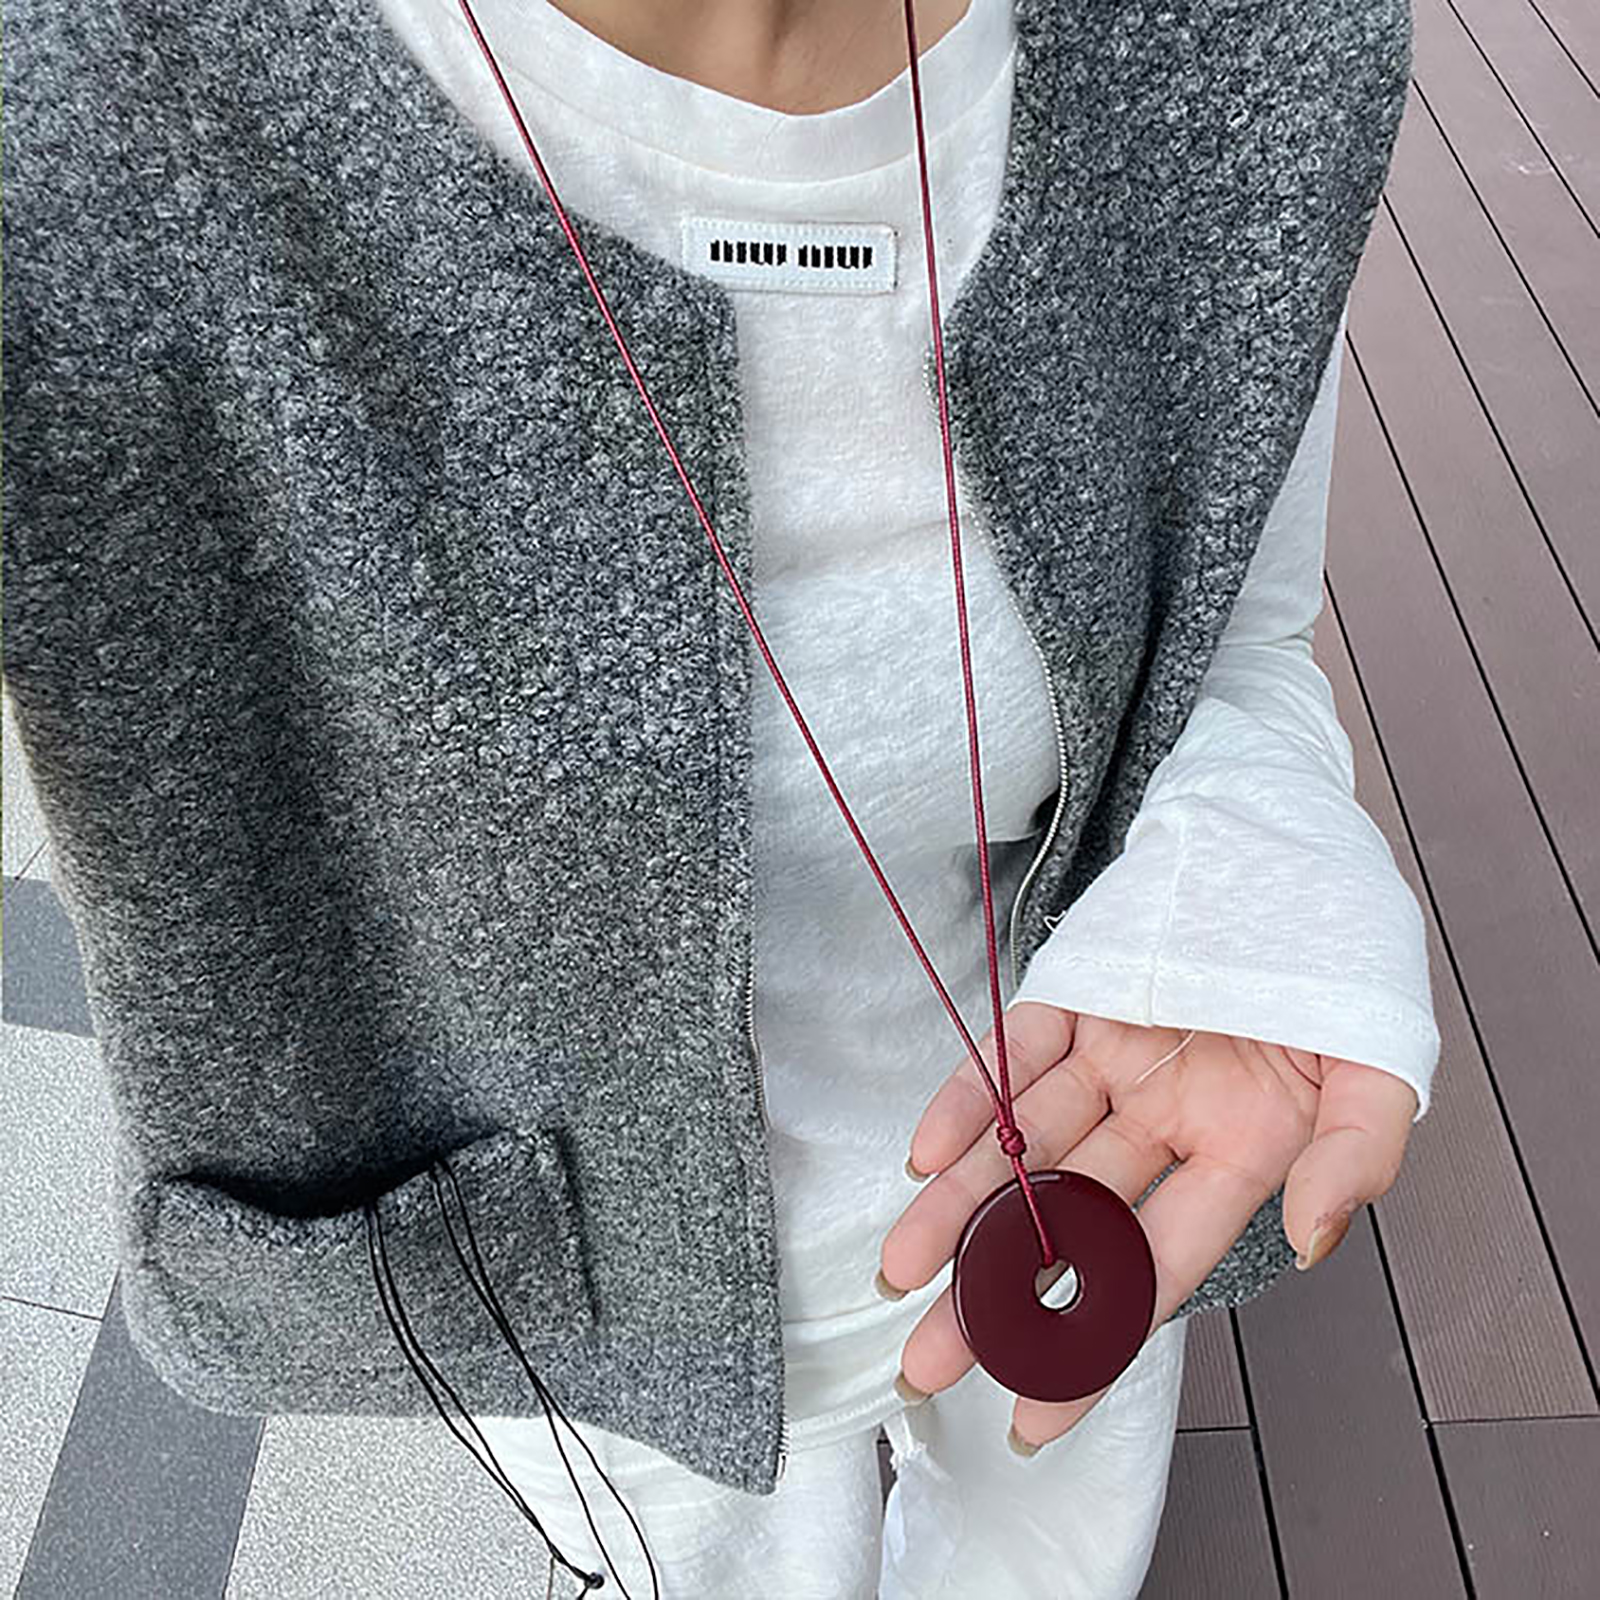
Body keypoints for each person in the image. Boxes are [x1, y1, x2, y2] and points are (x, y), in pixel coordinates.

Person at [3, 0, 1435, 1595]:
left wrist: (1266, 858)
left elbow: (1230, 637)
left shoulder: (1247, 48)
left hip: (1095, 1142)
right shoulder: (79, 127)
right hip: (591, 1296)